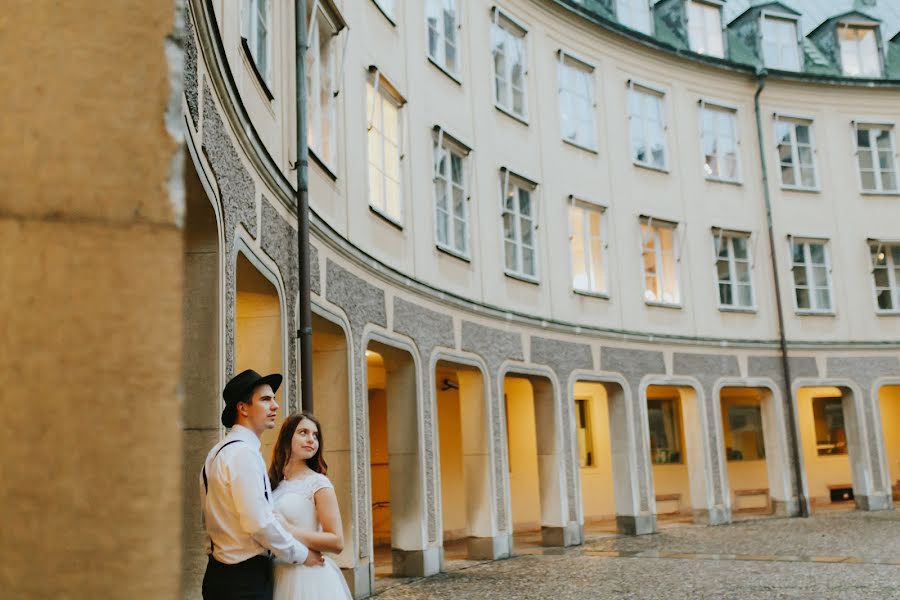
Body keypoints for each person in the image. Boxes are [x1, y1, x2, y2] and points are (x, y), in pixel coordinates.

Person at [200, 369, 325, 600]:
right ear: (243, 408)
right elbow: (258, 523)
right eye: (266, 399)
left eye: (274, 399)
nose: (275, 406)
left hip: (219, 573)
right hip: (243, 580)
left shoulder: (217, 452)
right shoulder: (243, 454)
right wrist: (301, 554)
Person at [269, 412, 352, 600]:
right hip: (277, 573)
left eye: (315, 435)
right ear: (287, 437)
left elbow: (337, 541)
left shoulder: (318, 483)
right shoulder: (274, 482)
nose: (311, 440)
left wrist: (289, 529)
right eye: (303, 432)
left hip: (308, 576)